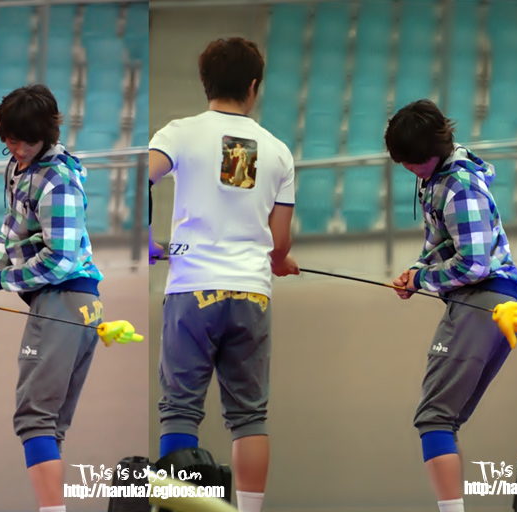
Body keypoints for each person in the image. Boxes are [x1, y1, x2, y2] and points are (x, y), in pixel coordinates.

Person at [147, 37, 298, 512]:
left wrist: (148, 239)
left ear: (205, 83)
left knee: (179, 411)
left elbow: (140, 176)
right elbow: (279, 246)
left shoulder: (178, 133)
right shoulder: (278, 151)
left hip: (192, 290)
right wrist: (279, 262)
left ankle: (178, 509)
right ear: (253, 86)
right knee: (250, 418)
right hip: (251, 294)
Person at [0, 84, 105, 512]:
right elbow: (11, 228)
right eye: (10, 140)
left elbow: (61, 259)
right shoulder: (20, 167)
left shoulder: (58, 180)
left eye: (26, 141)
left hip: (64, 301)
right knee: (48, 426)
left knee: (34, 420)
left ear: (46, 135)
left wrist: (0, 280)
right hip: (64, 304)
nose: (17, 149)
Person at [384, 98, 517, 512]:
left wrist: (424, 280)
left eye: (414, 162)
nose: (409, 169)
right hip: (489, 303)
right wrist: (416, 271)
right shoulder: (438, 179)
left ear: (434, 151)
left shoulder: (459, 186)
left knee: (434, 418)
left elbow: (474, 264)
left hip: (482, 301)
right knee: (444, 419)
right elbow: (440, 243)